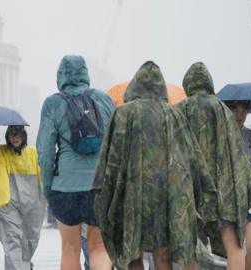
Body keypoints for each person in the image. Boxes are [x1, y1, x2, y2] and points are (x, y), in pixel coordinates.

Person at [93, 61, 217, 270]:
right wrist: (200, 193)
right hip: (167, 197)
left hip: (132, 194)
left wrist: (102, 191)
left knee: (132, 254)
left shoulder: (123, 114)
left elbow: (110, 158)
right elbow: (192, 158)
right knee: (163, 254)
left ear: (135, 86)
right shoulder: (174, 114)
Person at [36, 55, 115, 270]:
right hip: (99, 185)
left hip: (66, 187)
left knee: (70, 248)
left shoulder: (53, 103)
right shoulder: (104, 99)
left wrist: (48, 186)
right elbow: (114, 145)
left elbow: (45, 151)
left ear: (60, 76)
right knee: (98, 247)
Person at [176, 62, 251, 269]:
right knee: (232, 247)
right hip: (224, 193)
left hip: (191, 192)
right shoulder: (223, 111)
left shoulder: (179, 110)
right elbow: (238, 155)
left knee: (190, 246)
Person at [0, 125, 45, 270]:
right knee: (13, 239)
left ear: (23, 135)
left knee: (31, 239)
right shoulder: (3, 152)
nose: (15, 137)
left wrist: (46, 196)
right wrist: (4, 203)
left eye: (18, 134)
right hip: (9, 205)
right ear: (7, 136)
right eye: (12, 134)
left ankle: (24, 264)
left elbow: (42, 175)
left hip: (32, 205)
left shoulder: (32, 152)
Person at [227, 101, 251, 269]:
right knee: (233, 250)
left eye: (244, 110)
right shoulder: (221, 136)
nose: (240, 114)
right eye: (236, 110)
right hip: (229, 201)